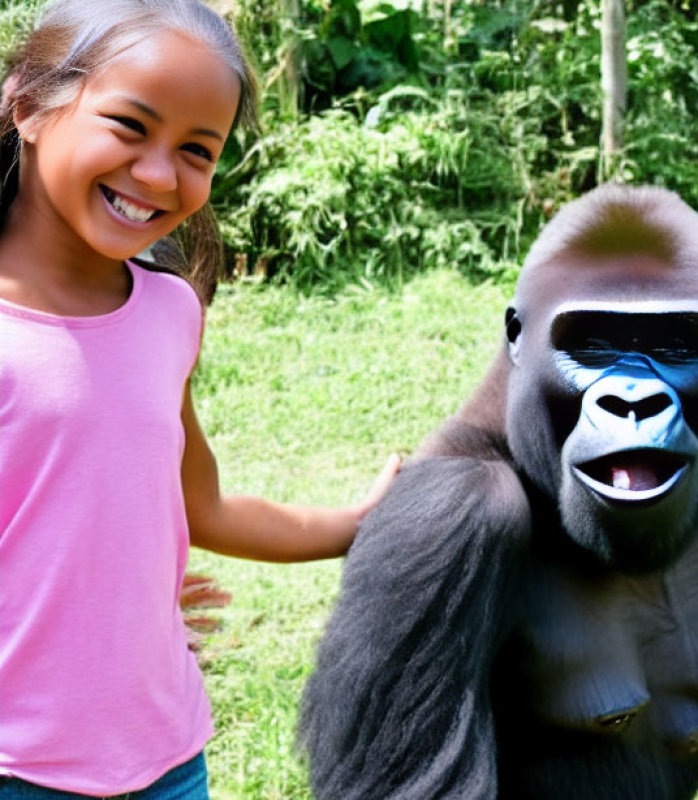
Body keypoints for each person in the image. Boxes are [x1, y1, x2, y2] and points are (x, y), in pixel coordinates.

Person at [0, 1, 400, 797]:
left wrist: (358, 527)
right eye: (128, 125)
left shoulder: (170, 312)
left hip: (166, 759)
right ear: (31, 104)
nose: (157, 173)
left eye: (195, 150)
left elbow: (200, 505)